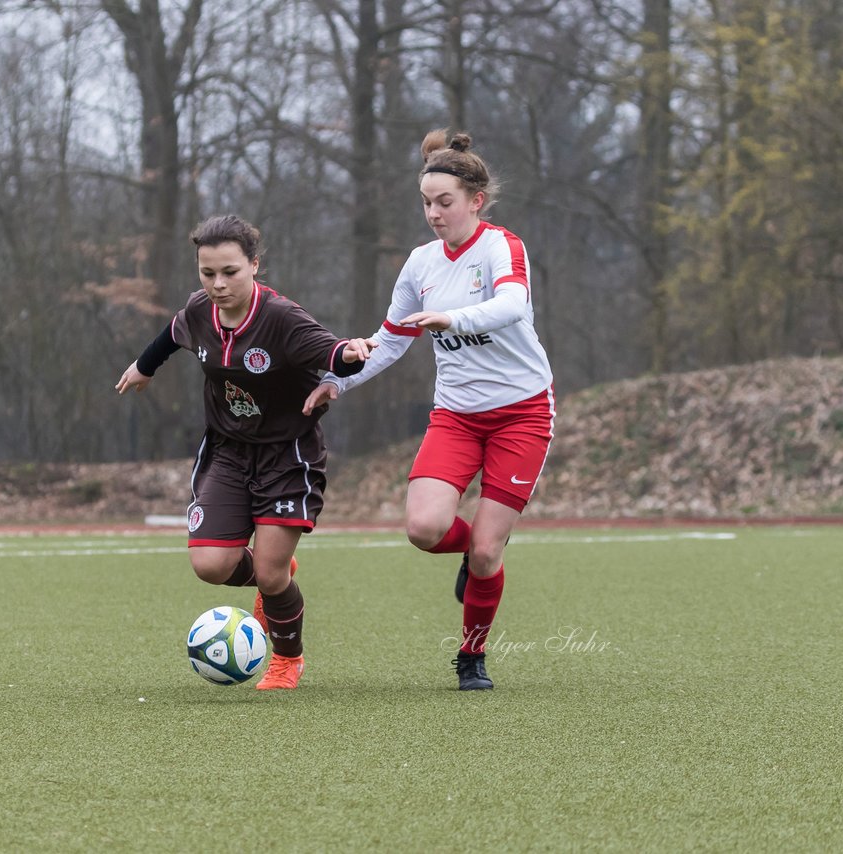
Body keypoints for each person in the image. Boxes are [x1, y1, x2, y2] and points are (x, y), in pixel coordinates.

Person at [303, 129, 555, 691]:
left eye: (445, 202)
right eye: (426, 203)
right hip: (458, 415)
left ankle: (471, 657)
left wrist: (450, 319)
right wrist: (336, 383)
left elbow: (514, 305)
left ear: (475, 201)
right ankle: (476, 549)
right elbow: (390, 340)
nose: (434, 214)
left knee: (488, 553)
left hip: (522, 412)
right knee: (423, 527)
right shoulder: (419, 265)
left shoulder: (500, 247)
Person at [117, 214, 376, 691]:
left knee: (271, 574)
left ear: (254, 265)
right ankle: (271, 572)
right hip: (227, 451)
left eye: (230, 272)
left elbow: (330, 350)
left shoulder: (280, 318)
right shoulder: (200, 312)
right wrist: (143, 366)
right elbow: (172, 335)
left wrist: (352, 351)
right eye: (207, 273)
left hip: (287, 454)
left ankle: (286, 659)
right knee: (210, 565)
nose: (217, 284)